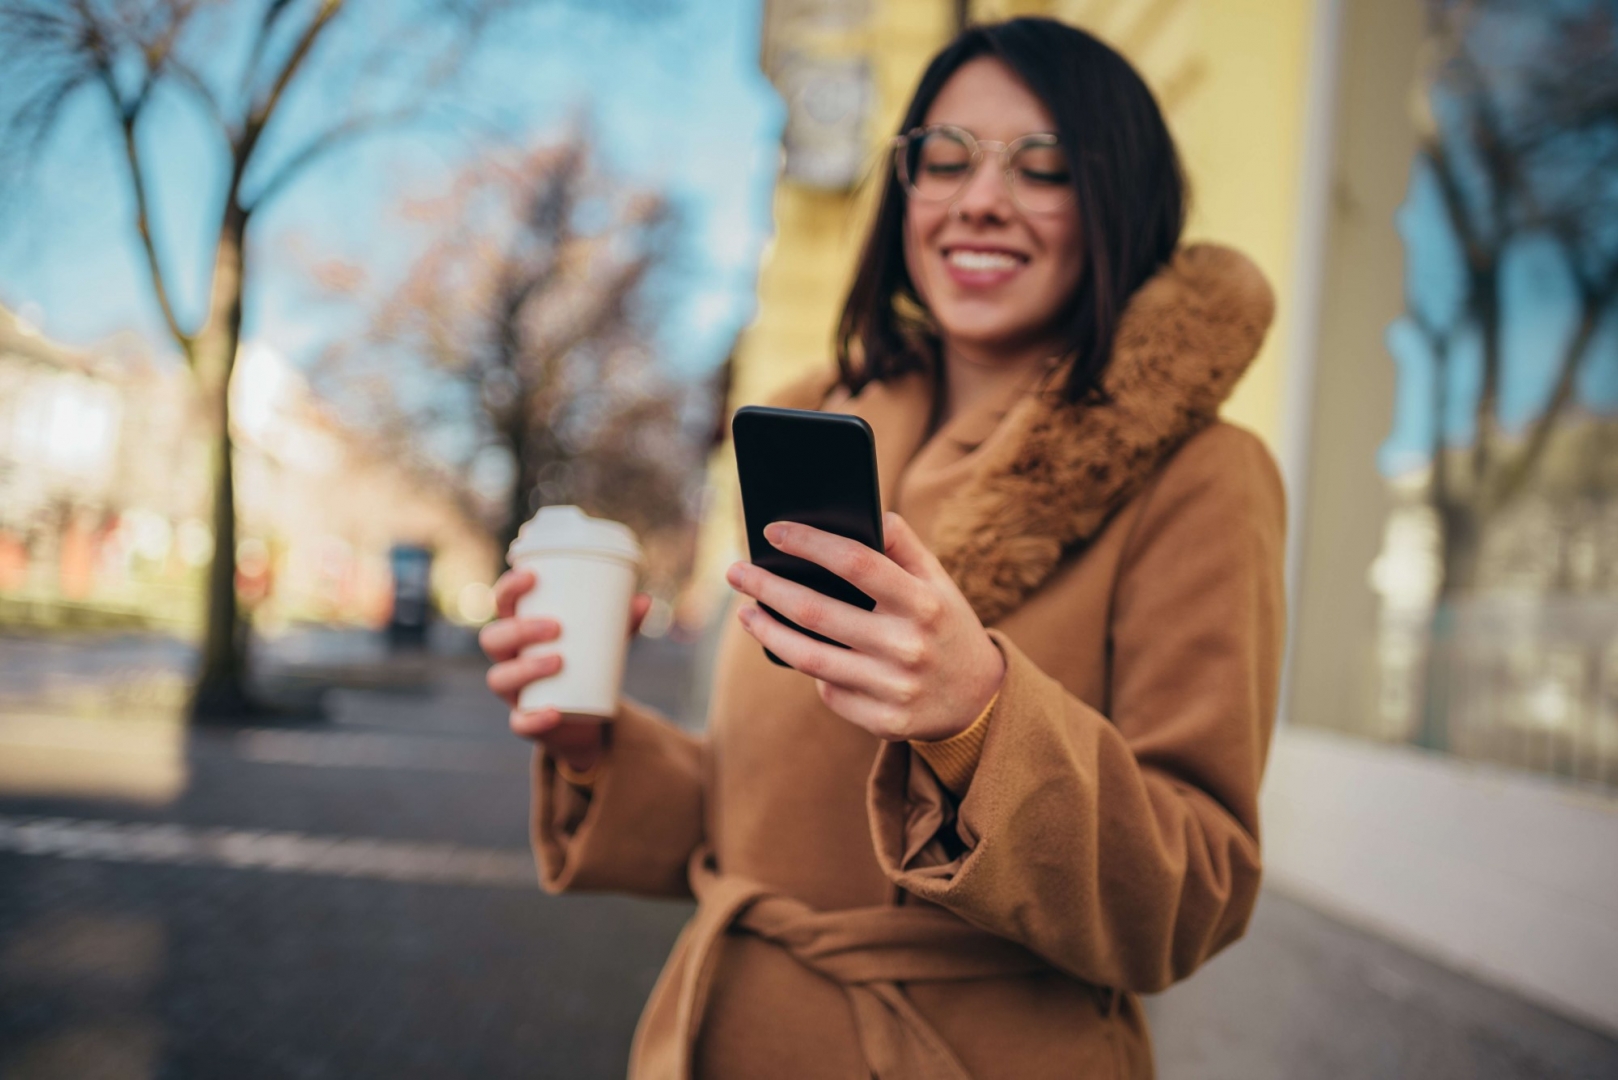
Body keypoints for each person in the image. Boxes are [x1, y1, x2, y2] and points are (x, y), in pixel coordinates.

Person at [480, 17, 1284, 1079]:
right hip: (722, 1040)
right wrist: (592, 742)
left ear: (1117, 201)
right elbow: (768, 826)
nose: (977, 199)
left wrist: (980, 714)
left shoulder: (1199, 474)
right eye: (942, 160)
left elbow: (1190, 898)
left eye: (1040, 168)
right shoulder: (814, 425)